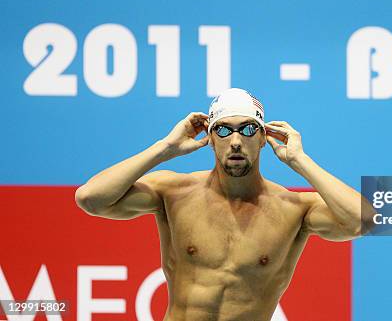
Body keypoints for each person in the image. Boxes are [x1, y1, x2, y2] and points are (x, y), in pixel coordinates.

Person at [75, 88, 376, 321]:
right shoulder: (174, 192)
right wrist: (164, 149)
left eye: (247, 129)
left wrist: (301, 161)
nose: (235, 141)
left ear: (263, 138)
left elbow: (365, 221)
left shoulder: (293, 209)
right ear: (209, 136)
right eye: (223, 129)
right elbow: (91, 198)